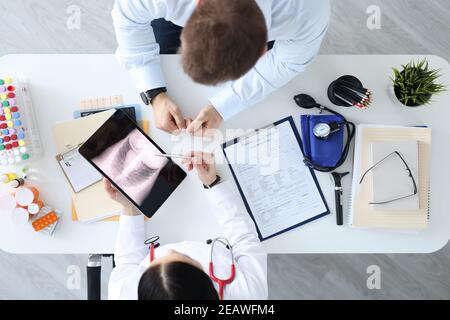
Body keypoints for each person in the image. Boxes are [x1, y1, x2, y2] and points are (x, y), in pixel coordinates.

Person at [112, 0, 330, 135]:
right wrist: (154, 93)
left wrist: (223, 106)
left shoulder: (307, 11)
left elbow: (286, 63)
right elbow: (129, 19)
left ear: (264, 49)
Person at [107, 152, 267, 300]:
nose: (171, 250)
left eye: (154, 263)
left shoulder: (122, 294)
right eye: (186, 258)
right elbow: (244, 239)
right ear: (208, 283)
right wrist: (213, 183)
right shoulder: (250, 293)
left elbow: (128, 262)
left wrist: (130, 206)